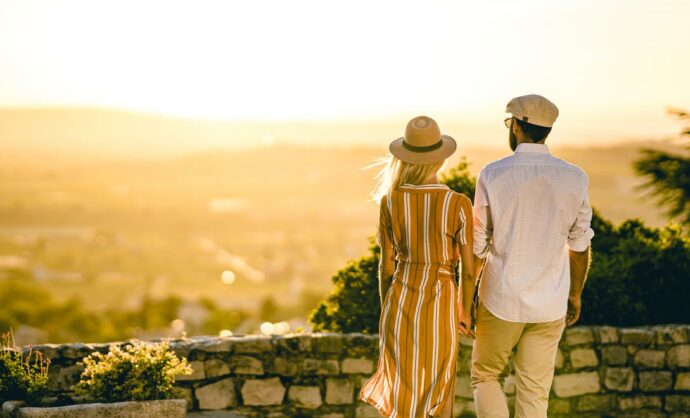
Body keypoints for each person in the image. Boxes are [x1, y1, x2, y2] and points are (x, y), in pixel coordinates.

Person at [471, 94, 594, 418]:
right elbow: (580, 245)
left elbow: (478, 243)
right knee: (535, 390)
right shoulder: (575, 177)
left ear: (516, 126)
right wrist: (575, 295)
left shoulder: (493, 174)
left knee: (485, 376)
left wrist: (468, 293)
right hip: (550, 302)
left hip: (501, 297)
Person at [359, 115, 476, 418]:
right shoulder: (458, 204)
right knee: (441, 388)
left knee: (403, 396)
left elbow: (385, 267)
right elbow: (470, 269)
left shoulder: (390, 202)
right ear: (440, 159)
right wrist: (465, 312)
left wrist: (388, 308)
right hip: (442, 305)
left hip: (399, 306)